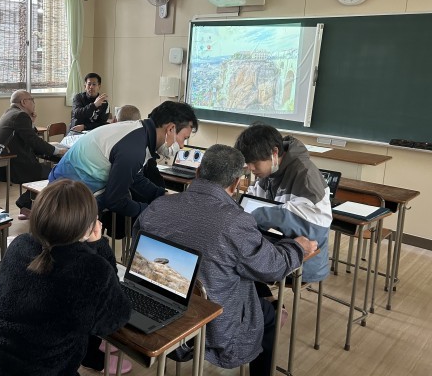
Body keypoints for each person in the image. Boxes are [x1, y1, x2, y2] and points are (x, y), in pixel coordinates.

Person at [136, 144, 317, 376]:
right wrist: (297, 247)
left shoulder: (159, 205)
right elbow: (273, 268)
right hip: (211, 324)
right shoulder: (235, 222)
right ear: (235, 184)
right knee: (269, 314)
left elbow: (138, 242)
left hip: (153, 306)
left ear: (198, 172)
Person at [0, 179, 132, 376]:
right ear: (88, 226)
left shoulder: (19, 245)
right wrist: (99, 245)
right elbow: (115, 318)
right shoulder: (93, 269)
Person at [49, 101, 198, 219]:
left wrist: (162, 194)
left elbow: (135, 178)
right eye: (184, 138)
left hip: (69, 186)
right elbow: (115, 201)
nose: (182, 145)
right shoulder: (134, 148)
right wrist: (153, 211)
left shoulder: (139, 132)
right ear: (170, 129)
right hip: (67, 197)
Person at [234, 123, 332, 283]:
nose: (251, 168)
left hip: (303, 260)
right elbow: (252, 200)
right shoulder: (268, 171)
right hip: (274, 248)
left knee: (239, 270)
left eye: (255, 162)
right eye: (248, 162)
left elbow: (313, 226)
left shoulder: (305, 175)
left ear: (274, 152)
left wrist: (254, 216)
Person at [0, 90, 67, 209]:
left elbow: (28, 137)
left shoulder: (9, 113)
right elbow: (34, 141)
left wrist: (31, 122)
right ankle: (27, 202)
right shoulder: (20, 116)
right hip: (19, 167)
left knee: (53, 172)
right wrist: (57, 151)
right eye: (32, 100)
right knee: (58, 175)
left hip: (6, 165)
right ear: (23, 102)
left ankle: (27, 203)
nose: (34, 103)